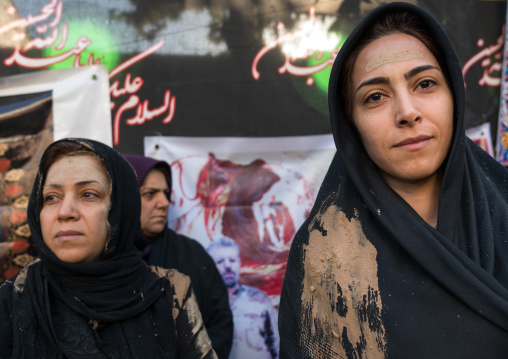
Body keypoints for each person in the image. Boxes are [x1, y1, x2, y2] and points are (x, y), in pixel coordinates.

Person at [279, 2, 508, 358]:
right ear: (351, 123)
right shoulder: (324, 257)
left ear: (454, 97)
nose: (407, 112)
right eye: (375, 97)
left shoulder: (503, 213)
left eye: (426, 84)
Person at [0, 138, 217, 359]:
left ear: (120, 208)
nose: (65, 212)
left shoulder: (170, 293)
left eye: (88, 194)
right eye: (51, 197)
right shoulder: (13, 298)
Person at [123, 154, 233, 359]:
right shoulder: (101, 259)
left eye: (166, 193)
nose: (164, 203)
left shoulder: (192, 255)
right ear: (124, 199)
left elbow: (220, 326)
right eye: (150, 194)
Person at [208, 236, 279, 359]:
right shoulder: (204, 305)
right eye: (220, 261)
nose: (227, 266)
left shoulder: (259, 299)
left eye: (232, 260)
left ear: (239, 262)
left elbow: (276, 344)